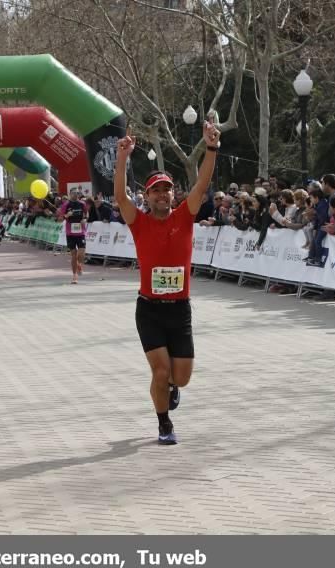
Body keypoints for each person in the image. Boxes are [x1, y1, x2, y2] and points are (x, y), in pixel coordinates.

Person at [113, 118, 219, 445]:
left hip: (179, 310)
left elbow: (202, 182)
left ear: (174, 195)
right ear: (147, 195)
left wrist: (211, 146)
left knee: (181, 378)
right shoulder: (139, 222)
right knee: (160, 372)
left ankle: (171, 389)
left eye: (166, 189)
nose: (162, 194)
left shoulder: (185, 216)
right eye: (156, 190)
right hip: (149, 310)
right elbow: (118, 195)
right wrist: (122, 158)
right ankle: (164, 424)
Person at [57, 190, 88, 284]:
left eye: (77, 193)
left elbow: (86, 215)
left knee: (81, 254)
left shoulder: (82, 204)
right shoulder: (65, 205)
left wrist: (85, 220)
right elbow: (59, 219)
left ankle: (79, 264)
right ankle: (74, 276)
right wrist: (67, 215)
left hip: (81, 232)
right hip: (70, 233)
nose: (76, 195)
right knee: (74, 255)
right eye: (74, 193)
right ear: (70, 194)